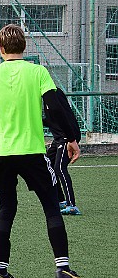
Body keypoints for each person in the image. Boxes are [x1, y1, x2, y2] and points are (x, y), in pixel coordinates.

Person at [0, 24, 90, 278]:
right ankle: (62, 268)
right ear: (24, 47)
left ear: (0, 49)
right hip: (32, 150)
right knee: (51, 205)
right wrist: (72, 138)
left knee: (6, 209)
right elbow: (56, 106)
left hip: (1, 153)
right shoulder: (37, 71)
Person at [44, 87, 82, 215]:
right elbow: (52, 120)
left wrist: (71, 139)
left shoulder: (54, 93)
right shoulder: (44, 97)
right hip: (59, 138)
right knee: (47, 165)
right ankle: (61, 201)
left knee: (59, 168)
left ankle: (72, 205)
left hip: (67, 136)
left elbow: (64, 116)